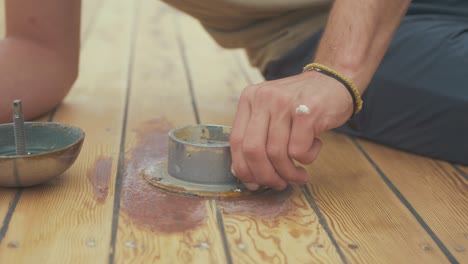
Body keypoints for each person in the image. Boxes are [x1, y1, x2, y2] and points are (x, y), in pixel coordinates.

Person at [0, 1, 467, 191]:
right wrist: (327, 68)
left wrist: (339, 69)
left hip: (340, 53)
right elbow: (39, 51)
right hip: (317, 36)